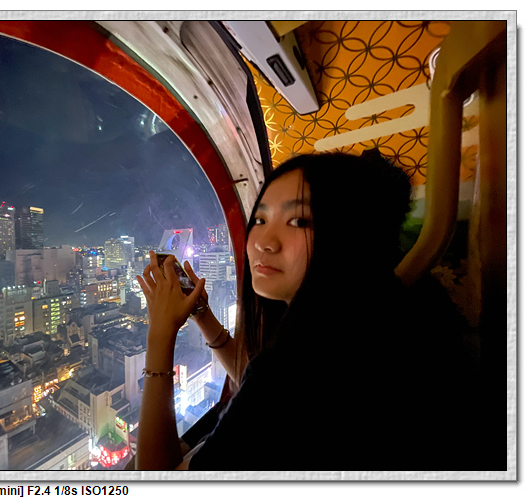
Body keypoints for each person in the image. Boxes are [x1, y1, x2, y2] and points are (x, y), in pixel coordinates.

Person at [135, 152, 494, 471]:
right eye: (260, 219)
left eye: (299, 221)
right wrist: (202, 314)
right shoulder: (387, 308)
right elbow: (258, 390)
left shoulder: (303, 368)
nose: (263, 242)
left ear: (350, 233)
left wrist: (161, 332)